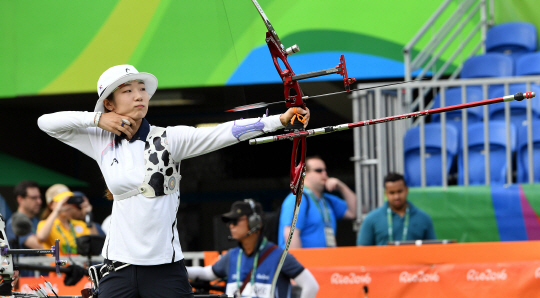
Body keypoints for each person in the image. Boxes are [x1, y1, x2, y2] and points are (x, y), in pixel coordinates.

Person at [37, 64, 310, 298]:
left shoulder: (168, 138)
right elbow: (45, 123)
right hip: (117, 267)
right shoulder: (100, 140)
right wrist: (98, 119)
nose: (139, 95)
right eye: (127, 90)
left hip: (164, 269)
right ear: (110, 102)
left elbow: (224, 132)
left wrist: (281, 120)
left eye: (141, 88)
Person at [187, 200, 318, 298]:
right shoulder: (232, 256)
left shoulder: (279, 256)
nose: (231, 226)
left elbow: (311, 286)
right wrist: (175, 269)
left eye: (236, 221)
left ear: (255, 222)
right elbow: (206, 273)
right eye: (229, 222)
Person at [278, 156, 356, 248]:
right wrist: (298, 262)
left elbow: (354, 212)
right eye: (319, 170)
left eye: (325, 170)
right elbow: (290, 235)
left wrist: (342, 187)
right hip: (306, 261)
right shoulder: (297, 199)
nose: (325, 174)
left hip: (325, 260)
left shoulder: (327, 199)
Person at [356, 172, 436, 246]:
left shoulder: (423, 218)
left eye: (399, 191)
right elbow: (362, 251)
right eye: (392, 193)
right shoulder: (371, 219)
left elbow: (432, 250)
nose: (396, 196)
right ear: (385, 193)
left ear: (406, 190)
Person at [36, 184, 98, 254]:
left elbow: (94, 245)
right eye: (62, 202)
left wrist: (88, 215)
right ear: (51, 205)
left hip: (78, 264)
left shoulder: (79, 224)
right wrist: (56, 210)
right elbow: (41, 237)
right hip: (56, 264)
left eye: (68, 201)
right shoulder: (44, 224)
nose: (66, 204)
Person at [6, 180, 42, 250]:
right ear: (20, 199)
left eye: (39, 197)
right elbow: (41, 247)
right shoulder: (14, 222)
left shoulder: (37, 220)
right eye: (34, 198)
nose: (39, 201)